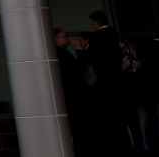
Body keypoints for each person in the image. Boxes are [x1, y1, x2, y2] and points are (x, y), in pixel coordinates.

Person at [85, 10, 138, 153]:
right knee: (131, 116)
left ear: (96, 22)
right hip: (125, 79)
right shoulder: (117, 34)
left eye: (92, 22)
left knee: (114, 119)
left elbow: (95, 61)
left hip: (107, 82)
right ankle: (138, 146)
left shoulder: (96, 37)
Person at [55, 28, 96, 155]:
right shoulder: (60, 54)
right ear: (56, 39)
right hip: (73, 97)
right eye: (63, 36)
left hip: (72, 96)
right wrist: (79, 49)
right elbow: (77, 68)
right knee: (79, 130)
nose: (67, 38)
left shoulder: (61, 53)